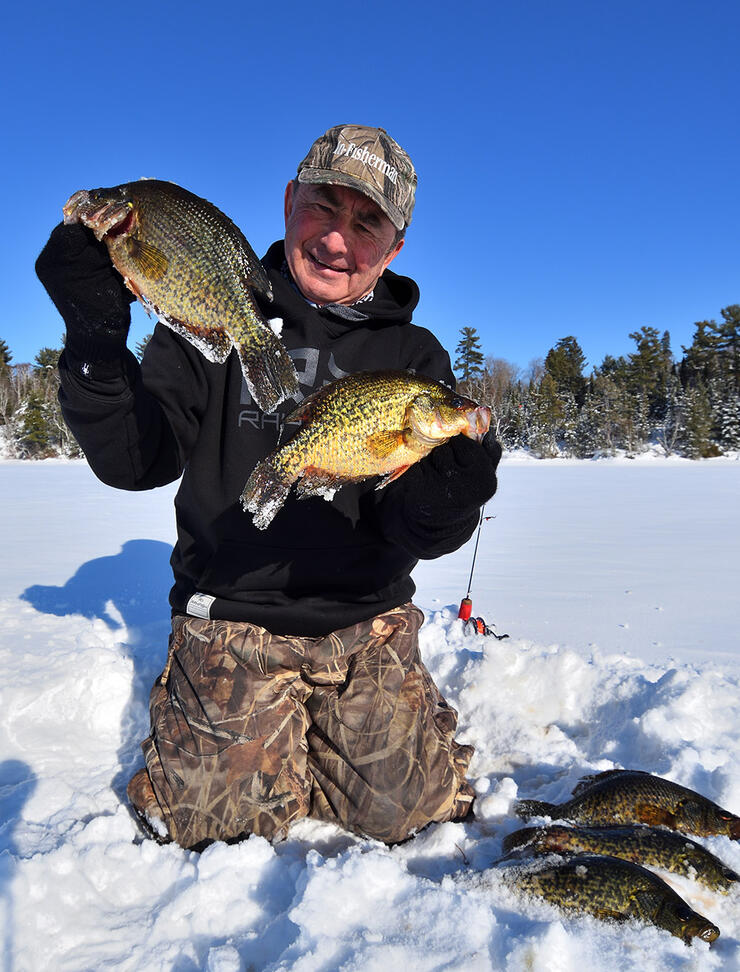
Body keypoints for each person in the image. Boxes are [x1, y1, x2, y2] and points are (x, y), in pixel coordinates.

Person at [35, 124, 502, 850]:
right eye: (324, 206)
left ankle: (358, 745)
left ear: (394, 247)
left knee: (409, 819)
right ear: (289, 202)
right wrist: (95, 344)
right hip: (231, 622)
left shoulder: (414, 357)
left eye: (367, 222)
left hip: (366, 624)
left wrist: (452, 496)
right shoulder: (210, 314)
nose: (338, 241)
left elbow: (414, 526)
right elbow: (134, 460)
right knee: (224, 835)